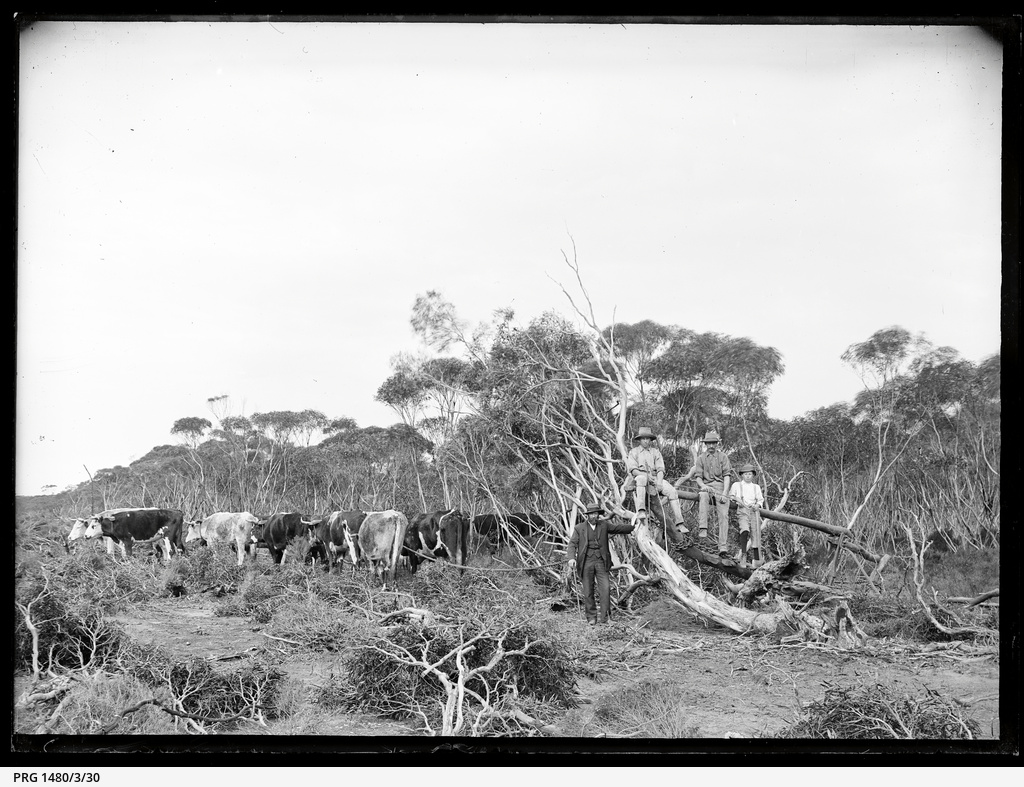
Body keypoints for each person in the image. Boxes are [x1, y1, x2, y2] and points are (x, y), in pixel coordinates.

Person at [567, 504, 635, 625]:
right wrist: (571, 558)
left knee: (606, 589)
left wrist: (634, 526)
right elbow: (572, 544)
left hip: (601, 562)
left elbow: (618, 528)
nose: (594, 516)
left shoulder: (604, 525)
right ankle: (591, 618)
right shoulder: (579, 528)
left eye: (596, 514)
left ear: (598, 514)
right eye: (592, 514)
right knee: (588, 591)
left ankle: (606, 618)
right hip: (586, 562)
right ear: (587, 515)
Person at [621, 427, 689, 544]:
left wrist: (658, 481)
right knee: (641, 479)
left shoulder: (655, 452)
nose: (646, 441)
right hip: (641, 476)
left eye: (648, 439)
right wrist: (647, 476)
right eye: (643, 439)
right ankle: (641, 511)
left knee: (672, 491)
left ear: (650, 440)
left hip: (655, 477)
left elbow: (661, 469)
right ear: (640, 440)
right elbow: (633, 470)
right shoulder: (634, 452)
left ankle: (679, 523)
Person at [675, 430, 733, 560]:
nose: (711, 446)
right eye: (709, 443)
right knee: (703, 495)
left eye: (713, 443)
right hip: (706, 486)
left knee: (724, 515)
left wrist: (724, 493)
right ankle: (703, 529)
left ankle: (722, 546)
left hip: (720, 487)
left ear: (717, 444)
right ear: (705, 444)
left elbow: (727, 476)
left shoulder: (723, 457)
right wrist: (703, 486)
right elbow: (699, 478)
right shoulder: (701, 458)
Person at [729, 463, 765, 569]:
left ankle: (757, 561)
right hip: (742, 511)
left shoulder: (756, 487)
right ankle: (743, 555)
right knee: (744, 530)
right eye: (745, 474)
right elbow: (731, 496)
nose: (748, 476)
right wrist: (737, 500)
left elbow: (760, 500)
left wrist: (757, 505)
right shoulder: (736, 485)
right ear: (742, 475)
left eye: (750, 474)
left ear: (753, 475)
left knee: (755, 535)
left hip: (753, 512)